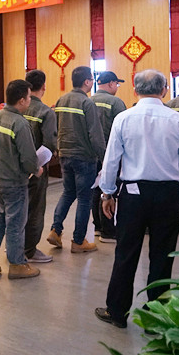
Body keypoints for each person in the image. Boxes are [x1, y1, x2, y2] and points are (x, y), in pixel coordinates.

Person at [94, 69, 179, 329]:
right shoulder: (178, 120)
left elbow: (111, 160)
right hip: (168, 195)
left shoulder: (123, 118)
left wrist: (107, 192)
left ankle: (117, 312)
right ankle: (155, 317)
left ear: (135, 89)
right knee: (163, 256)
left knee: (126, 253)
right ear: (164, 90)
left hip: (132, 195)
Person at [0, 80, 42, 279]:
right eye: (29, 97)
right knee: (16, 222)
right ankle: (17, 264)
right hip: (14, 180)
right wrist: (36, 169)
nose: (30, 101)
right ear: (21, 100)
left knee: (3, 214)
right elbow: (28, 157)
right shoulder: (19, 123)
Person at [47, 66, 106, 253]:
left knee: (67, 193)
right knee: (84, 199)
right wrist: (104, 158)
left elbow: (55, 128)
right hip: (84, 157)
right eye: (91, 80)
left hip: (65, 154)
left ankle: (56, 230)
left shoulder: (61, 100)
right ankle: (79, 241)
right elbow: (95, 135)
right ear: (87, 81)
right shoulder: (87, 103)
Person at [22, 69, 57, 263]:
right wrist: (34, 166)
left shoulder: (18, 107)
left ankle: (15, 245)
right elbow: (49, 144)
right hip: (37, 169)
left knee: (18, 208)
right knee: (35, 209)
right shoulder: (45, 111)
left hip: (16, 168)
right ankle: (29, 250)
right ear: (44, 86)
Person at [90, 71, 127, 242]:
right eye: (117, 84)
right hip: (110, 153)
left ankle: (98, 227)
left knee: (96, 189)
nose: (117, 87)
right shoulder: (115, 102)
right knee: (109, 188)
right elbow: (125, 129)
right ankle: (108, 231)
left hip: (92, 153)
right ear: (111, 83)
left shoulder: (88, 101)